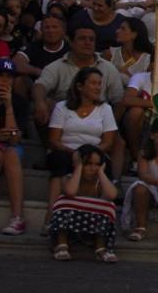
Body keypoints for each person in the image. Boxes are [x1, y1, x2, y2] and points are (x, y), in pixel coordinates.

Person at [46, 66, 118, 215]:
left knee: (102, 164)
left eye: (99, 84)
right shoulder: (62, 107)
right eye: (93, 83)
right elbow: (54, 140)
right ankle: (51, 215)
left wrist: (91, 154)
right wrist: (75, 153)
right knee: (60, 161)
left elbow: (108, 142)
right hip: (65, 150)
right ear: (80, 86)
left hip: (95, 152)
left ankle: (97, 216)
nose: (98, 87)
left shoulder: (105, 109)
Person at [33, 25, 125, 135]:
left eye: (92, 39)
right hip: (65, 120)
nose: (88, 42)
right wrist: (40, 103)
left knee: (119, 144)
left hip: (98, 121)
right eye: (82, 38)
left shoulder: (108, 68)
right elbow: (40, 85)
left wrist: (109, 126)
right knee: (46, 102)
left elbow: (119, 100)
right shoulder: (56, 66)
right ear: (71, 42)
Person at [48, 144, 119, 263]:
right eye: (88, 164)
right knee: (63, 201)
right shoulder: (68, 178)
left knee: (109, 206)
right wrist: (79, 167)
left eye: (97, 164)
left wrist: (101, 172)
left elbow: (112, 195)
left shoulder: (99, 182)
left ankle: (100, 248)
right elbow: (70, 191)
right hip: (70, 229)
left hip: (92, 230)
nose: (93, 168)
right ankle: (61, 245)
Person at [13, 11, 68, 105]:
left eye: (54, 27)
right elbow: (16, 63)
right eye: (47, 27)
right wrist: (43, 73)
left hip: (62, 91)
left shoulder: (70, 50)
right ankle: (22, 113)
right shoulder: (34, 47)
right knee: (20, 80)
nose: (50, 30)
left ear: (63, 31)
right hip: (36, 91)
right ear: (41, 30)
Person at [0, 57, 26, 236]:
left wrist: (8, 105)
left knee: (10, 153)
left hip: (8, 147)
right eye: (0, 75)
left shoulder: (18, 102)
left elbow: (15, 138)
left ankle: (17, 218)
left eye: (9, 76)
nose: (4, 80)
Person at [105, 17, 152, 84]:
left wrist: (128, 76)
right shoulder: (110, 53)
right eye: (119, 28)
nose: (117, 31)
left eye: (123, 29)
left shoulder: (147, 60)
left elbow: (147, 87)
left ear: (134, 35)